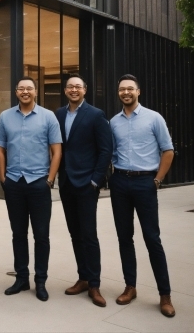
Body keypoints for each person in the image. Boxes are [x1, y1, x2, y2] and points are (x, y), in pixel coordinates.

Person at [109, 74, 176, 318]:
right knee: (124, 237)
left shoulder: (153, 118)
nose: (125, 92)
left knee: (152, 238)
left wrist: (157, 180)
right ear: (118, 93)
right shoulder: (113, 122)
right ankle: (130, 287)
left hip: (145, 182)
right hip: (119, 183)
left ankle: (165, 295)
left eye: (130, 89)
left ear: (138, 91)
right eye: (121, 89)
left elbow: (167, 151)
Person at [0, 76, 62, 302]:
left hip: (39, 183)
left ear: (35, 92)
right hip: (14, 182)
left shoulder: (48, 117)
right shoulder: (5, 117)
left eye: (29, 89)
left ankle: (40, 281)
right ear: (16, 92)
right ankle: (22, 278)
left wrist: (50, 179)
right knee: (18, 233)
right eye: (21, 88)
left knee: (41, 235)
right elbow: (0, 148)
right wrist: (3, 177)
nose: (25, 92)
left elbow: (57, 151)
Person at [55, 75, 113, 307]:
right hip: (67, 183)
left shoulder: (96, 115)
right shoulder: (58, 114)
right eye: (70, 86)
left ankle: (95, 285)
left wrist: (95, 181)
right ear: (65, 90)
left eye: (78, 86)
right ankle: (83, 277)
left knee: (89, 235)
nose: (74, 89)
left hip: (87, 184)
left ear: (85, 90)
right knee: (75, 234)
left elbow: (105, 150)